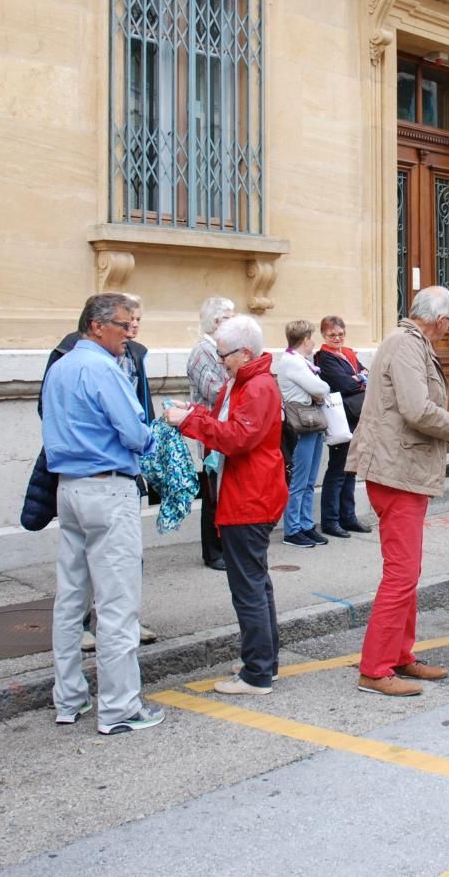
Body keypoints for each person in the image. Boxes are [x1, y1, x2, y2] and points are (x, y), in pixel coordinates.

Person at [40, 293, 163, 734]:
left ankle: (68, 698)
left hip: (69, 487)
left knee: (70, 598)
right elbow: (134, 432)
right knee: (116, 602)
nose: (130, 334)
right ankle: (119, 707)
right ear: (96, 325)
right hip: (107, 487)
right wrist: (154, 436)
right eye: (124, 325)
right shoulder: (101, 368)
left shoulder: (61, 366)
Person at [346, 286, 449, 697]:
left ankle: (399, 655)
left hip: (402, 468)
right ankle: (375, 669)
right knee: (401, 574)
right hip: (396, 470)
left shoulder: (409, 342)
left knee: (407, 572)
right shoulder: (406, 344)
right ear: (440, 320)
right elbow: (417, 408)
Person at [164, 315, 288, 695]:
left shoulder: (256, 386)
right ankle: (264, 661)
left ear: (245, 352)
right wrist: (196, 414)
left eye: (224, 356)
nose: (220, 362)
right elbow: (230, 424)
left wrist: (188, 421)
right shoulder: (248, 381)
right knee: (256, 582)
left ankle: (257, 674)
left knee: (248, 586)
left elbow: (237, 437)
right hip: (251, 492)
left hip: (249, 496)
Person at [187, 296, 235, 571]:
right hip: (210, 434)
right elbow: (217, 392)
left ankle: (223, 547)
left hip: (221, 432)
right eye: (230, 318)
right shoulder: (204, 352)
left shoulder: (218, 349)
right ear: (217, 322)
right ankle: (213, 551)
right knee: (212, 494)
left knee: (222, 492)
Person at [275, 319, 331, 548]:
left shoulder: (301, 362)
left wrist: (317, 391)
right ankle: (293, 529)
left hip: (312, 422)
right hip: (301, 425)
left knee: (309, 479)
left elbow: (318, 389)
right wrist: (318, 391)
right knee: (299, 479)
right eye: (312, 338)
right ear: (305, 339)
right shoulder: (292, 362)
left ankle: (306, 524)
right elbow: (322, 388)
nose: (314, 343)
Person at [314, 315, 370, 538]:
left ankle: (349, 517)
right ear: (324, 335)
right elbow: (344, 384)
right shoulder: (324, 357)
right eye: (332, 335)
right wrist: (359, 379)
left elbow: (366, 373)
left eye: (340, 334)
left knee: (351, 470)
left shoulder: (347, 353)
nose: (337, 338)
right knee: (338, 469)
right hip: (341, 418)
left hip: (356, 416)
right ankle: (331, 521)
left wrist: (358, 377)